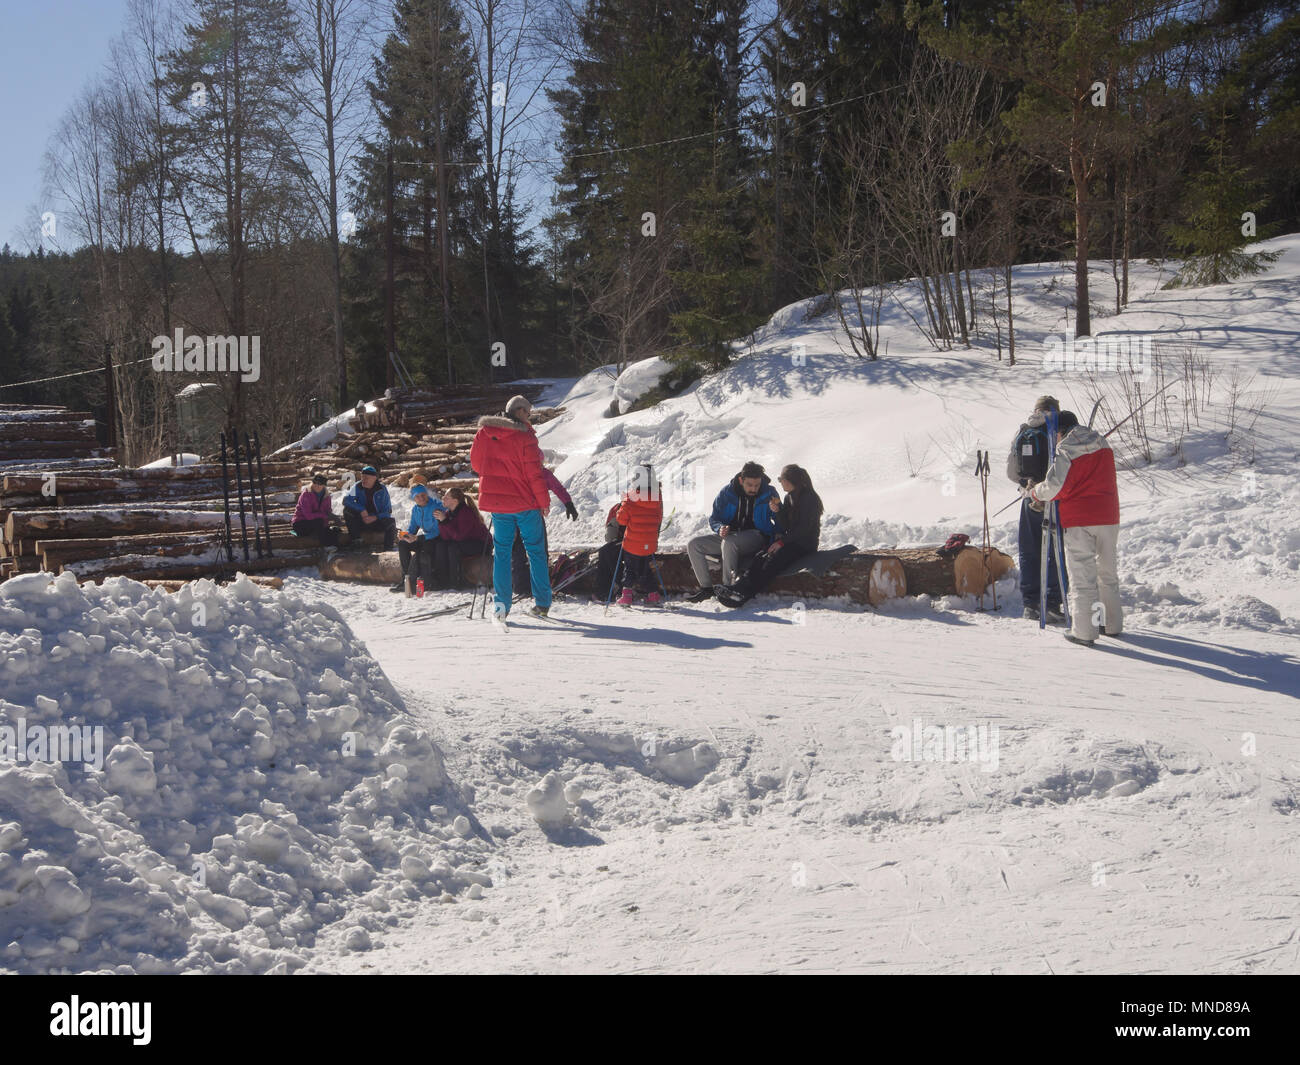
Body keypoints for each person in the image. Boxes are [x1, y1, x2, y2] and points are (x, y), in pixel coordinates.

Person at [1028, 410, 1122, 646]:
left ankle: (1084, 632)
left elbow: (1055, 487)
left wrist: (1034, 492)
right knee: (1107, 573)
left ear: (1059, 432)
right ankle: (1111, 624)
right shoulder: (1103, 443)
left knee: (1082, 576)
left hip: (1080, 519)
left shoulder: (1066, 449)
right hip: (1108, 516)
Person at [469, 394, 553, 618]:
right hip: (525, 503)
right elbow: (534, 474)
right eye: (528, 412)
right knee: (535, 551)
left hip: (499, 504)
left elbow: (477, 464)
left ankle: (501, 607)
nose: (529, 417)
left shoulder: (485, 433)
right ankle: (542, 602)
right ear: (519, 411)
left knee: (502, 553)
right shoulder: (525, 436)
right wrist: (544, 502)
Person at [716, 465, 822, 607]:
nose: (779, 482)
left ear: (790, 481)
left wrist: (782, 543)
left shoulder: (809, 498)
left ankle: (747, 592)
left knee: (774, 561)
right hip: (793, 542)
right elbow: (787, 526)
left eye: (781, 479)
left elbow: (803, 529)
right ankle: (739, 587)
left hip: (805, 545)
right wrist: (778, 511)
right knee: (762, 555)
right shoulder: (789, 497)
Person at [685, 462, 782, 603]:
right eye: (750, 485)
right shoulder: (727, 492)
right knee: (694, 544)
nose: (754, 489)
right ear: (741, 480)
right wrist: (720, 528)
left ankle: (728, 588)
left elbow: (781, 519)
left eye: (757, 485)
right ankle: (706, 589)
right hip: (730, 537)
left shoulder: (769, 492)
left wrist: (777, 517)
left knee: (729, 542)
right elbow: (714, 518)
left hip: (757, 536)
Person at [1007, 396, 1067, 621]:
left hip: (1029, 499)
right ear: (1055, 410)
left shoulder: (1023, 431)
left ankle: (1030, 604)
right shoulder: (1059, 430)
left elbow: (1012, 473)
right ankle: (1052, 602)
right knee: (1054, 550)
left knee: (1030, 550)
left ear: (1036, 410)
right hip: (1053, 498)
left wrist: (1027, 486)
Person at [596, 463, 664, 605]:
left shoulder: (630, 498)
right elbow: (658, 520)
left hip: (632, 543)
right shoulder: (657, 499)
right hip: (649, 543)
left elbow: (621, 520)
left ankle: (624, 593)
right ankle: (653, 594)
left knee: (628, 568)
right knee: (645, 569)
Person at [512, 466, 579, 598]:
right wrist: (568, 503)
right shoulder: (542, 473)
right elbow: (558, 488)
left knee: (517, 550)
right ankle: (539, 587)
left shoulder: (515, 469)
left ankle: (522, 587)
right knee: (539, 552)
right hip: (533, 516)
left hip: (515, 515)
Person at [392, 484, 446, 593]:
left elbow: (437, 531)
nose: (421, 498)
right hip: (424, 539)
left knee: (425, 547)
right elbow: (412, 528)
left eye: (423, 495)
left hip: (437, 540)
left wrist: (417, 538)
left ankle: (423, 580)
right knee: (402, 544)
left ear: (427, 494)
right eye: (417, 496)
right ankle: (406, 580)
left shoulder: (436, 507)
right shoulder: (415, 510)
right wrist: (405, 536)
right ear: (413, 498)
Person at [433, 486, 490, 588]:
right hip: (466, 542)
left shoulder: (466, 512)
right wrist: (441, 522)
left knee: (453, 548)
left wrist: (445, 521)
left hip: (482, 544)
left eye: (446, 497)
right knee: (441, 545)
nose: (443, 499)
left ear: (454, 501)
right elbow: (446, 537)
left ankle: (456, 582)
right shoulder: (449, 513)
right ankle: (442, 580)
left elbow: (460, 536)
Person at [341, 464, 397, 550]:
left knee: (391, 522)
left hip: (376, 522)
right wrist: (362, 509)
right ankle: (357, 540)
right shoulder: (357, 486)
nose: (363, 480)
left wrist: (375, 517)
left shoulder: (382, 490)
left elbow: (387, 511)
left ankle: (388, 549)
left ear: (374, 478)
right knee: (347, 510)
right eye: (362, 477)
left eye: (366, 477)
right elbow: (346, 500)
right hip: (362, 520)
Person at [291, 474, 339, 546]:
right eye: (315, 483)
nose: (316, 486)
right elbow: (308, 516)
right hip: (300, 523)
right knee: (319, 522)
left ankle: (334, 546)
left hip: (316, 523)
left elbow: (327, 511)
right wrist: (325, 516)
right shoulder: (306, 494)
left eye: (319, 484)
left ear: (324, 485)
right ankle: (326, 546)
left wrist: (330, 518)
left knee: (334, 530)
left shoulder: (326, 496)